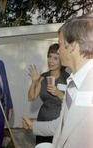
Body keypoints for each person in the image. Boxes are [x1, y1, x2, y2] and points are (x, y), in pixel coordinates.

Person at [22, 14, 93, 148]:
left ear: (72, 46)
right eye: (50, 56)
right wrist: (33, 125)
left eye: (60, 45)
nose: (59, 52)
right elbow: (63, 124)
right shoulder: (73, 82)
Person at [28, 43, 69, 145]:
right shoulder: (43, 77)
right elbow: (31, 97)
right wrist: (34, 82)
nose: (50, 61)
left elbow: (71, 105)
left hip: (59, 123)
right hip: (42, 120)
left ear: (61, 61)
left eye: (55, 58)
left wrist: (59, 94)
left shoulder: (68, 79)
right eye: (49, 56)